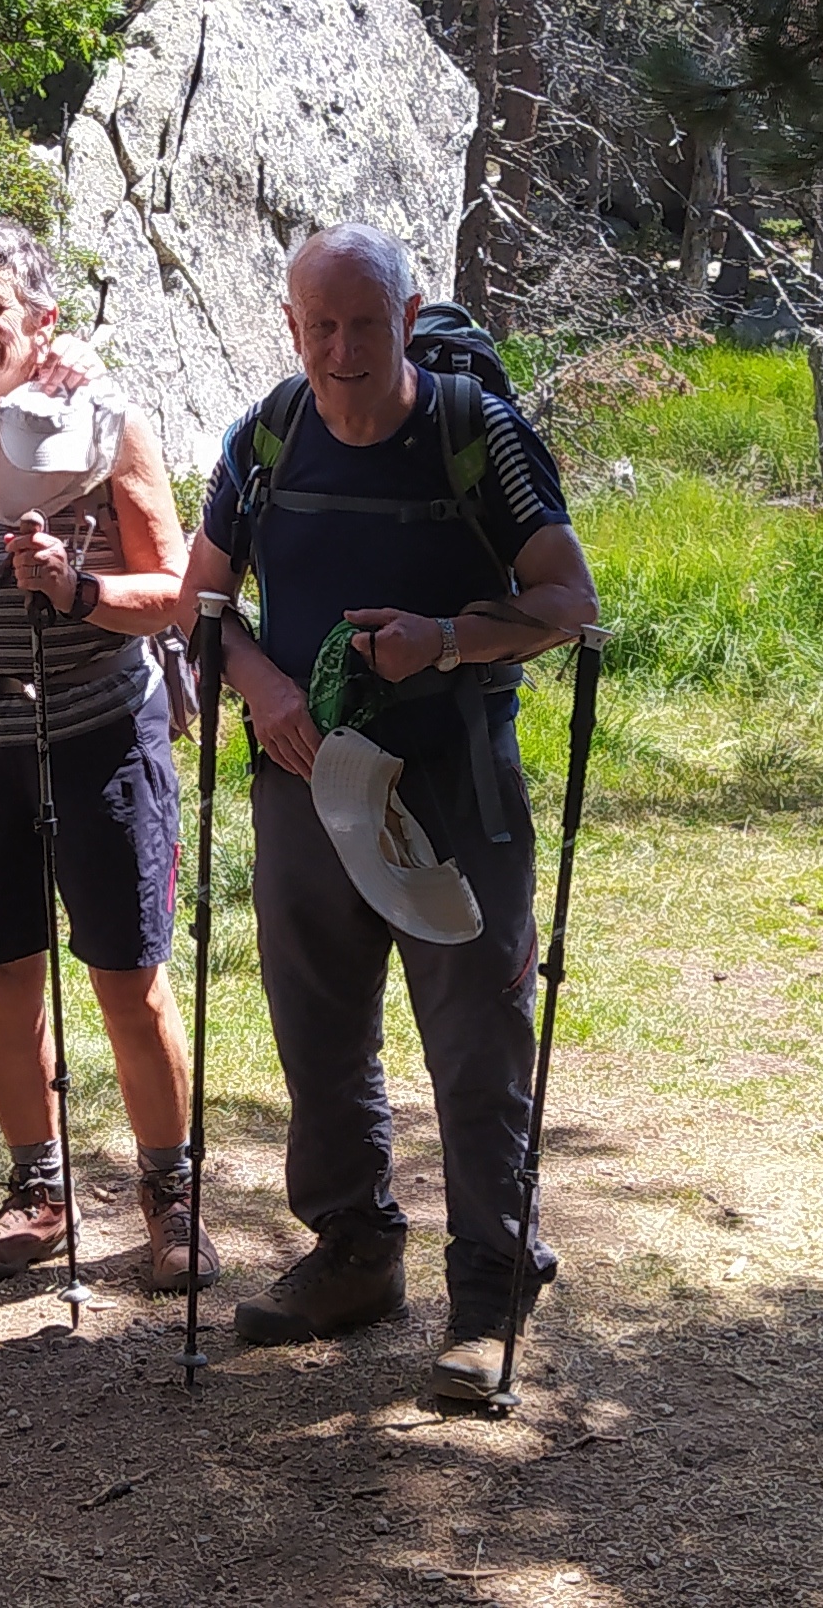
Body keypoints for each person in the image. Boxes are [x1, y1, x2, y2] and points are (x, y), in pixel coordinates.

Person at [177, 222, 600, 1401]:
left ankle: (489, 1292)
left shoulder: (477, 432)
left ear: (406, 319)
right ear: (290, 325)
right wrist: (264, 690)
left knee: (475, 1039)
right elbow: (200, 600)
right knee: (316, 1025)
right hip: (305, 778)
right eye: (319, 326)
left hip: (454, 780)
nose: (342, 349)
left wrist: (445, 641)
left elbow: (568, 598)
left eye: (365, 324)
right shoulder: (264, 435)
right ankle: (353, 1249)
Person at [0, 221, 217, 1292]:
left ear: (40, 320)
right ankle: (39, 1191)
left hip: (100, 735)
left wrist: (75, 587)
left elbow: (180, 594)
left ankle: (172, 1197)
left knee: (127, 979)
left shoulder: (109, 428)